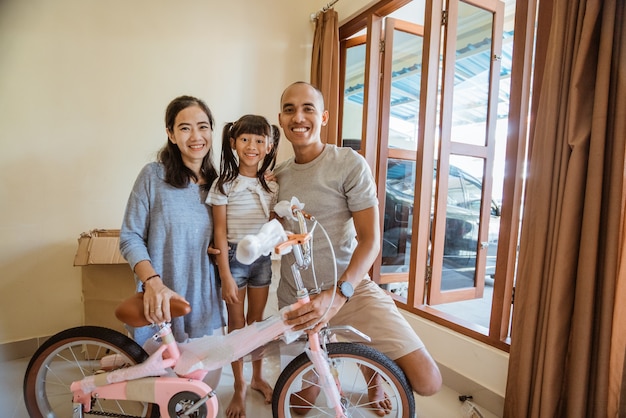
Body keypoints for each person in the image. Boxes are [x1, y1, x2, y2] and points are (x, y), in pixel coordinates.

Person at [274, 81, 443, 415]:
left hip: (350, 290)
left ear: (323, 117)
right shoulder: (277, 178)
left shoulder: (348, 163)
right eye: (290, 109)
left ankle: (369, 366)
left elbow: (371, 241)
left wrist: (339, 294)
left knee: (429, 381)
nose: (299, 117)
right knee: (297, 406)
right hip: (301, 299)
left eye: (308, 108)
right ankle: (334, 356)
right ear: (281, 120)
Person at [119, 95, 226, 389]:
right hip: (161, 302)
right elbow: (129, 236)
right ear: (170, 134)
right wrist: (152, 282)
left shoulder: (220, 185)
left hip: (205, 304)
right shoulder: (153, 176)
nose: (196, 137)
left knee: (204, 392)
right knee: (165, 393)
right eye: (185, 128)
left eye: (203, 127)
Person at [206, 115, 280, 418]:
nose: (252, 146)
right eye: (246, 139)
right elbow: (219, 232)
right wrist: (225, 273)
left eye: (260, 140)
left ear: (269, 145)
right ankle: (239, 384)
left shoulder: (272, 185)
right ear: (234, 143)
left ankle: (258, 377)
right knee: (236, 326)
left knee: (258, 322)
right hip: (234, 259)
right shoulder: (224, 185)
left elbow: (276, 222)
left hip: (261, 258)